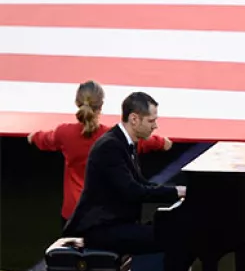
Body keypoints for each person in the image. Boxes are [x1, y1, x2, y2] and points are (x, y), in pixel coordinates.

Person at [63, 92, 201, 271]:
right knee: (178, 239)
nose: (156, 126)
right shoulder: (110, 147)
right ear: (134, 119)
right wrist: (177, 192)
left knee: (183, 237)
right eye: (152, 121)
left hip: (117, 224)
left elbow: (141, 184)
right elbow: (133, 191)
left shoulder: (124, 144)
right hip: (102, 230)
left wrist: (177, 190)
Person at [29, 81, 172, 228]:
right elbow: (140, 142)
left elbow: (47, 139)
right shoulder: (112, 137)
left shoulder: (64, 133)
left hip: (73, 212)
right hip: (102, 213)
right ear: (101, 105)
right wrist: (162, 142)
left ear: (77, 103)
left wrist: (33, 137)